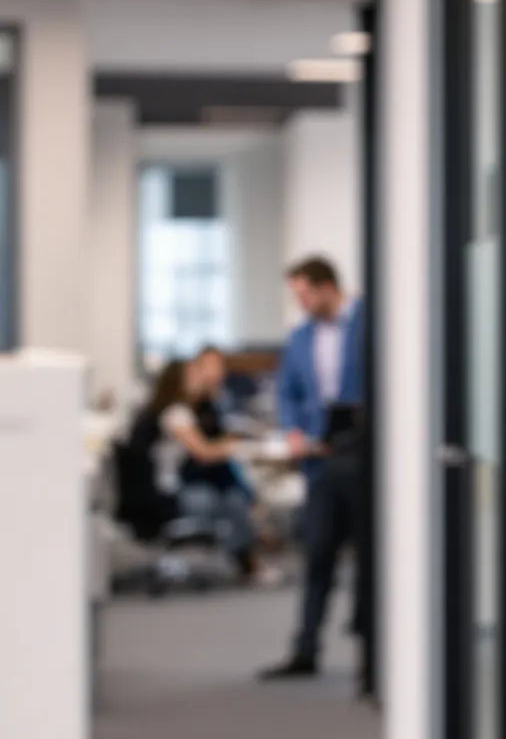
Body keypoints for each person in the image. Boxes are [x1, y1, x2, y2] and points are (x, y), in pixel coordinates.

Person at [259, 256, 369, 687]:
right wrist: (291, 432)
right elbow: (287, 393)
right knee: (318, 555)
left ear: (327, 288)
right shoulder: (300, 337)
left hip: (361, 458)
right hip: (319, 462)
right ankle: (305, 650)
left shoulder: (366, 322)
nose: (300, 303)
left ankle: (370, 659)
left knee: (368, 559)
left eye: (304, 294)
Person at [125, 349, 261, 581]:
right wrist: (242, 447)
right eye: (194, 373)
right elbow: (204, 453)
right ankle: (246, 563)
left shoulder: (172, 409)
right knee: (229, 500)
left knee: (233, 498)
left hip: (157, 490)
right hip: (165, 493)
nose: (200, 378)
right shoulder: (177, 413)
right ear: (179, 380)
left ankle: (246, 562)